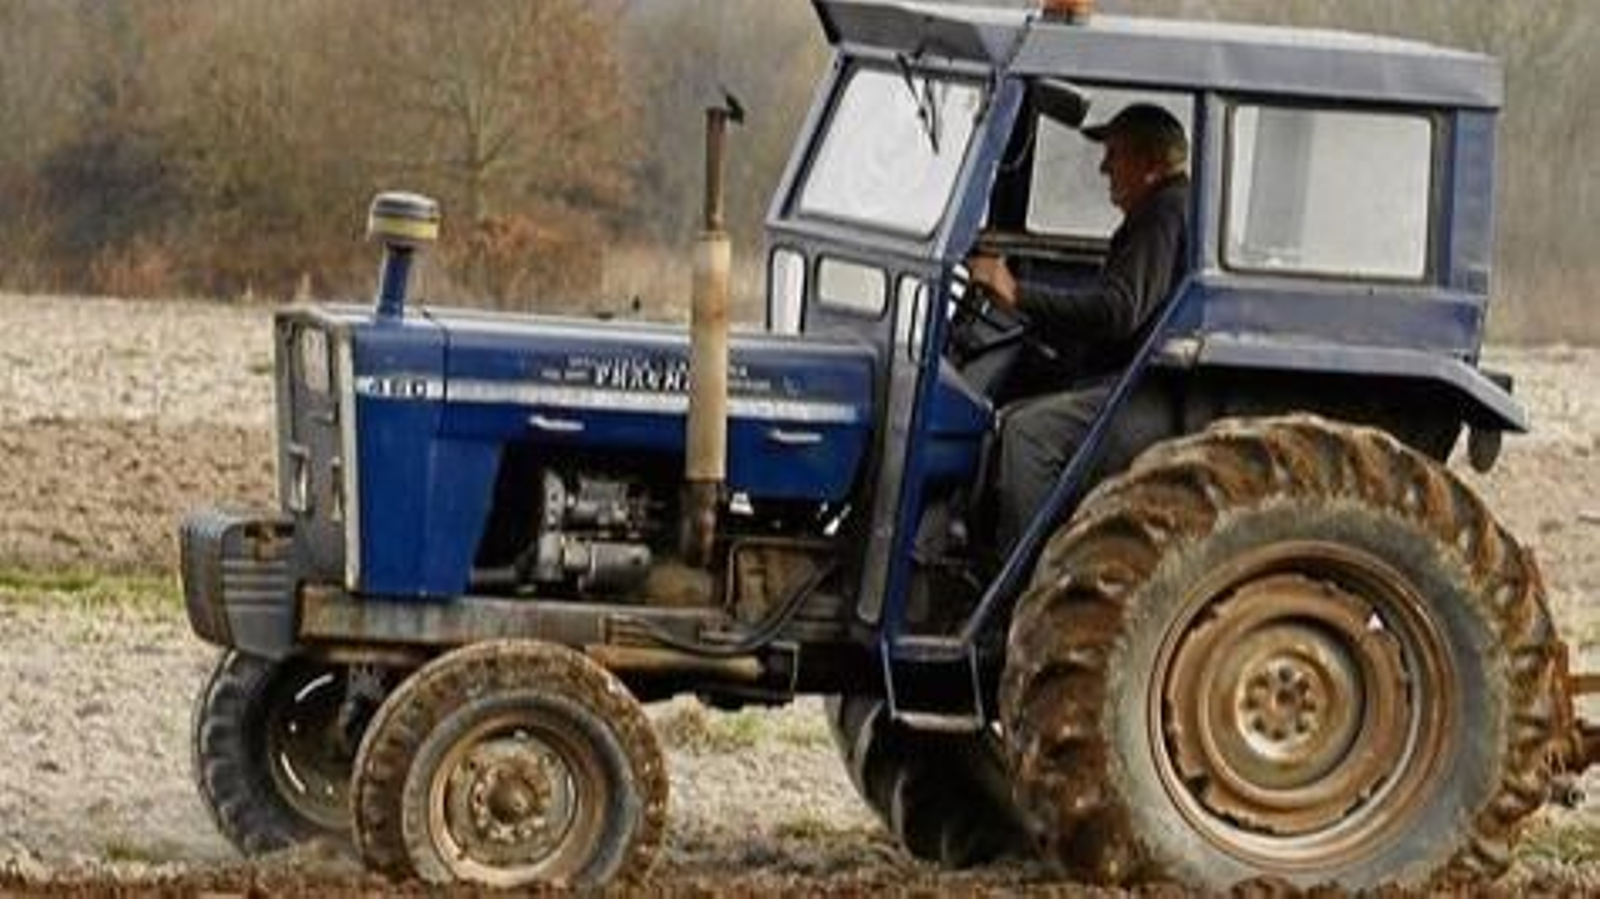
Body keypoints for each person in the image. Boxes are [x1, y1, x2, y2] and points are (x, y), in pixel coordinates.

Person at [968, 103, 1190, 552]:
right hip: (1131, 379)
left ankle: (1027, 587)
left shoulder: (1164, 213)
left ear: (1150, 163)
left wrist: (1017, 293)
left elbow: (1118, 311)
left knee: (1027, 435)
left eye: (1115, 154)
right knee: (1009, 415)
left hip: (1147, 392)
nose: (1104, 166)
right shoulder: (1161, 210)